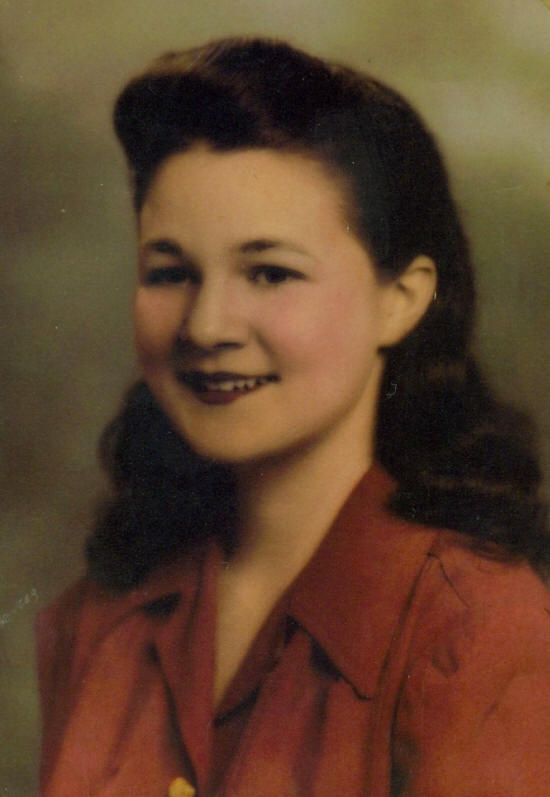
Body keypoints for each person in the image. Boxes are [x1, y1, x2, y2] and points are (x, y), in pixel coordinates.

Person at [36, 37, 550, 796]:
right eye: (170, 272)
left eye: (270, 272)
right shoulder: (96, 618)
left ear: (401, 300)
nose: (206, 325)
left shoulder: (479, 632)